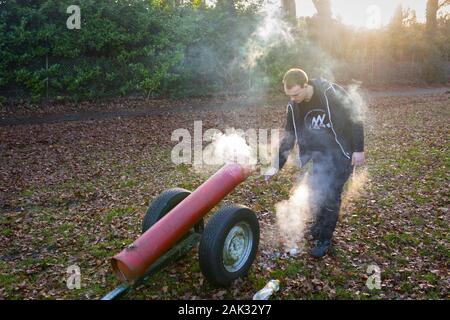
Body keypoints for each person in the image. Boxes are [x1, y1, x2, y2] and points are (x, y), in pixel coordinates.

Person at [263, 68, 365, 258]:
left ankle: (325, 240)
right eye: (289, 95)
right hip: (318, 156)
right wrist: (275, 166)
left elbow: (355, 115)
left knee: (331, 196)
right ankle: (318, 227)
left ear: (306, 85)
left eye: (296, 94)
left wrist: (359, 149)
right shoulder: (294, 106)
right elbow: (288, 138)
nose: (293, 98)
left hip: (342, 153)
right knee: (315, 192)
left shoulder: (329, 92)